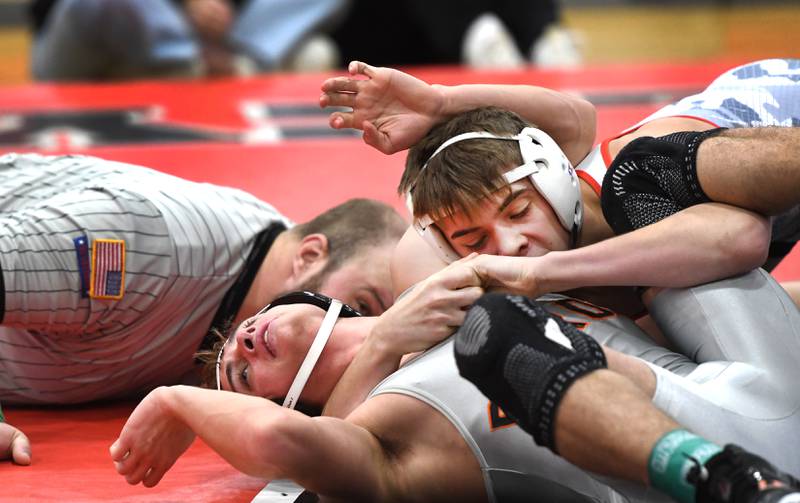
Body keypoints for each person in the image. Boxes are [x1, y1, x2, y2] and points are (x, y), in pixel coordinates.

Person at [110, 251, 800, 501]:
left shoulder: (460, 276)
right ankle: (719, 475)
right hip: (702, 481)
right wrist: (178, 396)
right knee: (496, 333)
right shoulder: (385, 430)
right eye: (236, 373)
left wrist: (448, 102)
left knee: (656, 194)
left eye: (237, 336)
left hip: (761, 389)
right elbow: (286, 447)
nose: (240, 349)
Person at [0, 152, 404, 461]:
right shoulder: (147, 248)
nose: (356, 335)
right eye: (361, 305)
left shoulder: (260, 294)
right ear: (310, 256)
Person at [320, 60, 800, 308]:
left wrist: (442, 102)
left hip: (777, 109)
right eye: (473, 241)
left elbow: (740, 240)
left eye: (516, 211)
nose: (510, 246)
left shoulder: (631, 178)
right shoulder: (532, 285)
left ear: (555, 179)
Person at [29, 0, 348, 80]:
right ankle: (190, 57)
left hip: (224, 42)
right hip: (92, 44)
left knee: (315, 50)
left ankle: (245, 57)